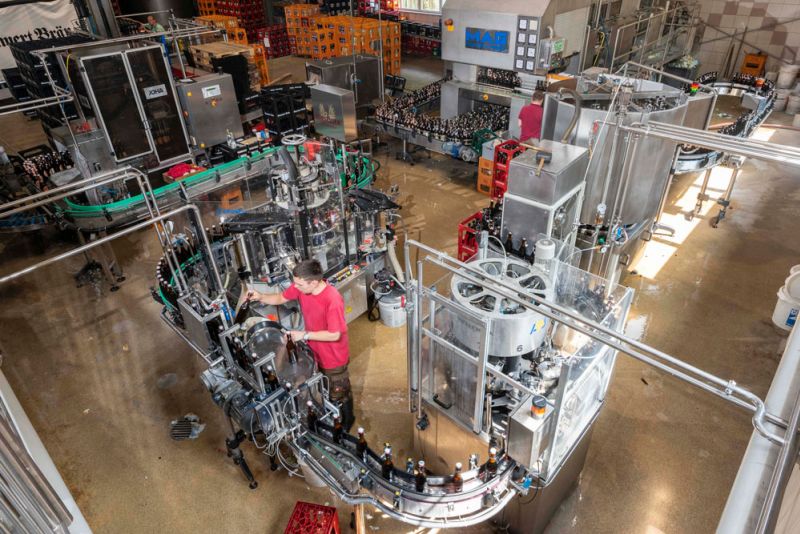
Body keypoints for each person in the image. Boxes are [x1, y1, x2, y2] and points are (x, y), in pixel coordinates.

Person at [247, 260, 354, 430]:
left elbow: (335, 334)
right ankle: (331, 413)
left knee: (339, 392)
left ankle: (348, 421)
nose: (295, 287)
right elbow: (281, 297)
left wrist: (303, 334)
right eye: (295, 283)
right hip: (315, 350)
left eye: (299, 284)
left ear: (314, 282)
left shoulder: (332, 299)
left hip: (333, 357)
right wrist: (261, 296)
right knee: (323, 387)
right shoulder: (302, 287)